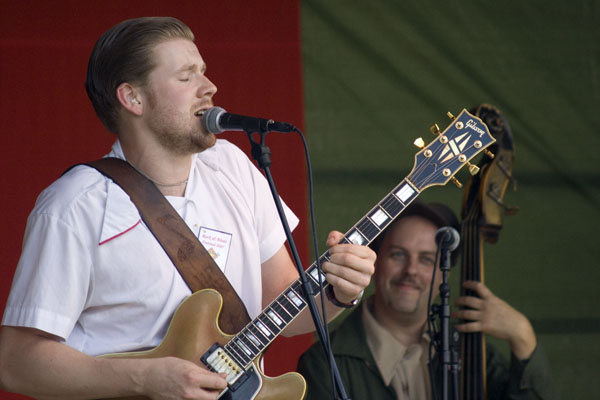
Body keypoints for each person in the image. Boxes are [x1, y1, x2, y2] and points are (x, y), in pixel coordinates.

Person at [0, 17, 375, 400]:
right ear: (133, 99)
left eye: (204, 72)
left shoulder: (234, 168)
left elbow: (281, 304)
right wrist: (144, 379)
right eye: (186, 77)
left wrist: (337, 292)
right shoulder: (75, 206)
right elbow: (15, 362)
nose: (209, 87)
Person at [297, 201, 557, 400]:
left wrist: (523, 336)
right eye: (398, 255)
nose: (411, 271)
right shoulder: (323, 364)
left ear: (443, 273)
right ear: (374, 262)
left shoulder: (472, 353)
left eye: (427, 260)